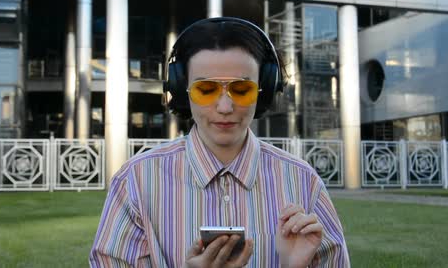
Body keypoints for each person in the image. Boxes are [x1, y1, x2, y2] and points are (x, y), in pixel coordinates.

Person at [90, 17, 350, 267]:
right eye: (206, 89)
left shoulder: (303, 180)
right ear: (183, 89)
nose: (225, 107)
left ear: (265, 89)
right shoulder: (135, 181)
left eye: (242, 89)